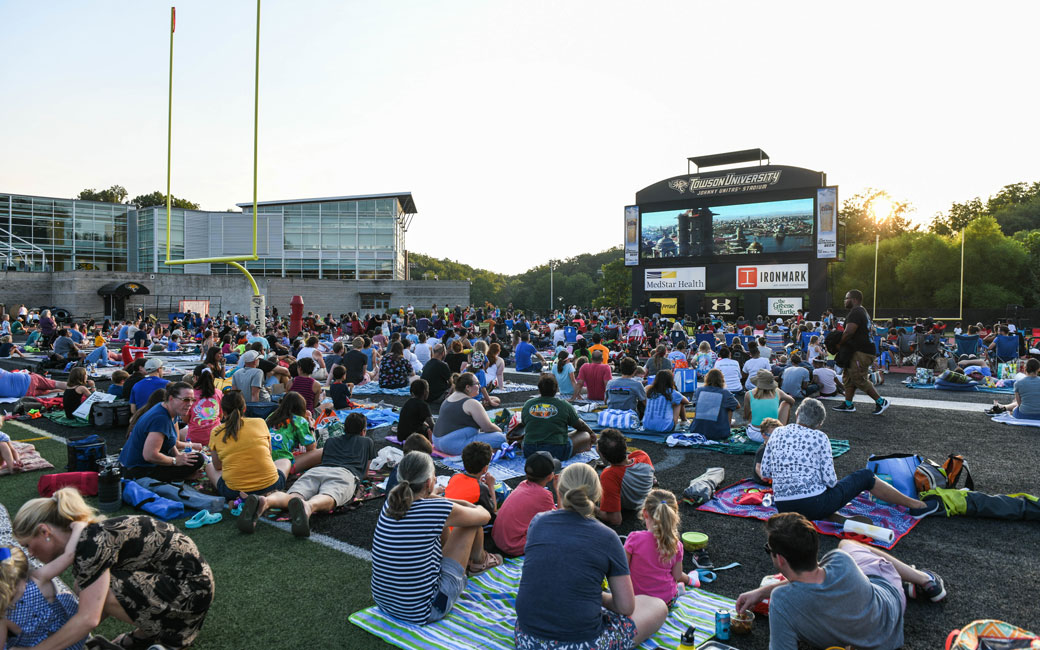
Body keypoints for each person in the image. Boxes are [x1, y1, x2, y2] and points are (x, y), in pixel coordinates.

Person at [12, 487, 214, 649]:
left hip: (190, 591)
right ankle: (147, 635)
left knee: (100, 593)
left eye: (28, 545)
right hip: (189, 584)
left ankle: (164, 634)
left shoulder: (90, 545)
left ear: (45, 531)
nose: (30, 553)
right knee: (85, 588)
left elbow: (89, 618)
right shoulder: (89, 536)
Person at [736, 513, 946, 650]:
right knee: (846, 545)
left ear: (780, 559)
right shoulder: (840, 562)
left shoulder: (782, 601)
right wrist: (763, 592)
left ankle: (922, 580)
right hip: (889, 619)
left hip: (882, 599)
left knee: (849, 546)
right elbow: (814, 577)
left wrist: (765, 592)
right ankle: (926, 582)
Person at [515, 463, 668, 648]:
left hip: (527, 639)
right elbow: (626, 607)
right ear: (597, 495)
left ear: (559, 489)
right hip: (582, 643)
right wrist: (599, 596)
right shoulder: (607, 537)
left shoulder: (538, 522)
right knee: (657, 606)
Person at [371, 451, 501, 624]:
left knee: (444, 524)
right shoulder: (436, 509)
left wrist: (443, 500)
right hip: (427, 609)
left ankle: (466, 563)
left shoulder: (392, 501)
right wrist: (461, 503)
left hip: (385, 603)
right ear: (429, 483)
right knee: (470, 523)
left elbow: (433, 506)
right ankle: (479, 561)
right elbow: (484, 516)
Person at [761, 399, 937, 523]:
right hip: (814, 504)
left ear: (798, 413)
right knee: (866, 476)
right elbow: (830, 481)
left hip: (783, 506)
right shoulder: (820, 437)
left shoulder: (777, 432)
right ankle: (917, 506)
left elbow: (765, 472)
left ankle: (823, 514)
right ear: (820, 424)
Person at [259, 412, 375, 538]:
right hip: (344, 474)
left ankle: (267, 501)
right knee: (329, 496)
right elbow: (365, 473)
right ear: (363, 431)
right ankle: (309, 506)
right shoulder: (367, 442)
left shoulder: (331, 441)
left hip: (317, 470)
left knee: (294, 495)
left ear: (345, 428)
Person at [208, 390, 293, 533]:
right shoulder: (260, 422)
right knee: (285, 460)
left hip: (234, 489)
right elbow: (269, 453)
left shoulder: (216, 431)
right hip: (269, 484)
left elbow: (217, 466)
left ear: (223, 411)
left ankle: (238, 500)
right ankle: (258, 499)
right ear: (245, 408)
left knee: (209, 466)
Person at [119, 382, 205, 481]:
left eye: (192, 400)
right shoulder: (161, 419)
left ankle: (182, 476)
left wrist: (178, 455)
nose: (190, 404)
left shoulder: (170, 409)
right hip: (139, 470)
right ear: (171, 398)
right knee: (198, 459)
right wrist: (175, 460)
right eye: (185, 400)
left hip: (135, 465)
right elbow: (149, 455)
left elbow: (171, 441)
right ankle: (181, 477)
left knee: (192, 458)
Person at [625, 489, 694, 605]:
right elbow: (677, 575)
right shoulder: (676, 545)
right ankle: (679, 589)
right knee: (675, 586)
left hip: (636, 600)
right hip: (665, 601)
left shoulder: (634, 539)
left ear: (645, 513)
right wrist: (689, 579)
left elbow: (622, 568)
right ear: (673, 515)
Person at [491, 451, 559, 557]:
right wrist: (558, 490)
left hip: (498, 539)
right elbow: (560, 517)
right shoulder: (544, 495)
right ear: (550, 476)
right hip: (512, 546)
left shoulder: (522, 484)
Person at [833, 289, 890, 415]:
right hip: (859, 350)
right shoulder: (862, 311)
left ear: (854, 299)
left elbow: (849, 332)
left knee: (858, 378)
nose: (844, 301)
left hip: (861, 351)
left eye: (846, 298)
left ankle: (881, 402)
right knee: (848, 377)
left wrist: (839, 343)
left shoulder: (856, 312)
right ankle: (848, 404)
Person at [520, 374, 595, 461]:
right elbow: (580, 425)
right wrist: (591, 433)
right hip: (557, 451)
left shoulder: (528, 404)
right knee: (584, 434)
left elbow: (524, 423)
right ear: (556, 389)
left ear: (539, 389)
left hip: (530, 451)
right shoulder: (563, 405)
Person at [432, 373, 506, 455]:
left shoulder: (449, 398)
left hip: (436, 441)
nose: (480, 386)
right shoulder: (471, 403)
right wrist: (501, 432)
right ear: (468, 387)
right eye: (477, 384)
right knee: (501, 438)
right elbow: (488, 427)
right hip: (450, 445)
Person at [595, 428, 655, 527]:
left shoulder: (609, 475)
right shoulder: (642, 455)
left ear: (603, 455)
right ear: (625, 446)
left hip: (632, 507)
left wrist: (590, 507)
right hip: (644, 498)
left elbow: (615, 520)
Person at [265, 391, 323, 475]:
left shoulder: (271, 416)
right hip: (282, 465)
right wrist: (311, 427)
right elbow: (311, 448)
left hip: (265, 461)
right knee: (323, 451)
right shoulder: (299, 420)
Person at [444, 441, 498, 520]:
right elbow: (493, 509)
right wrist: (491, 486)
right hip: (462, 528)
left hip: (446, 522)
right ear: (485, 469)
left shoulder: (454, 477)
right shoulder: (482, 489)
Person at [742, 369, 795, 442]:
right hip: (773, 435)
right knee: (785, 404)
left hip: (754, 434)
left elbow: (746, 415)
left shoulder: (749, 394)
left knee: (752, 411)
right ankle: (782, 430)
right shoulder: (777, 392)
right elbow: (792, 401)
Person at [691, 368, 740, 441]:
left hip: (697, 431)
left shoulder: (699, 390)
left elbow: (695, 404)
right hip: (719, 433)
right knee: (730, 407)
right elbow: (737, 406)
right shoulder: (725, 392)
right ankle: (727, 427)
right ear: (722, 380)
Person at [0, 368, 66, 400]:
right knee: (56, 384)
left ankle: (65, 391)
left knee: (49, 391)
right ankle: (74, 387)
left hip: (25, 393)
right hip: (29, 379)